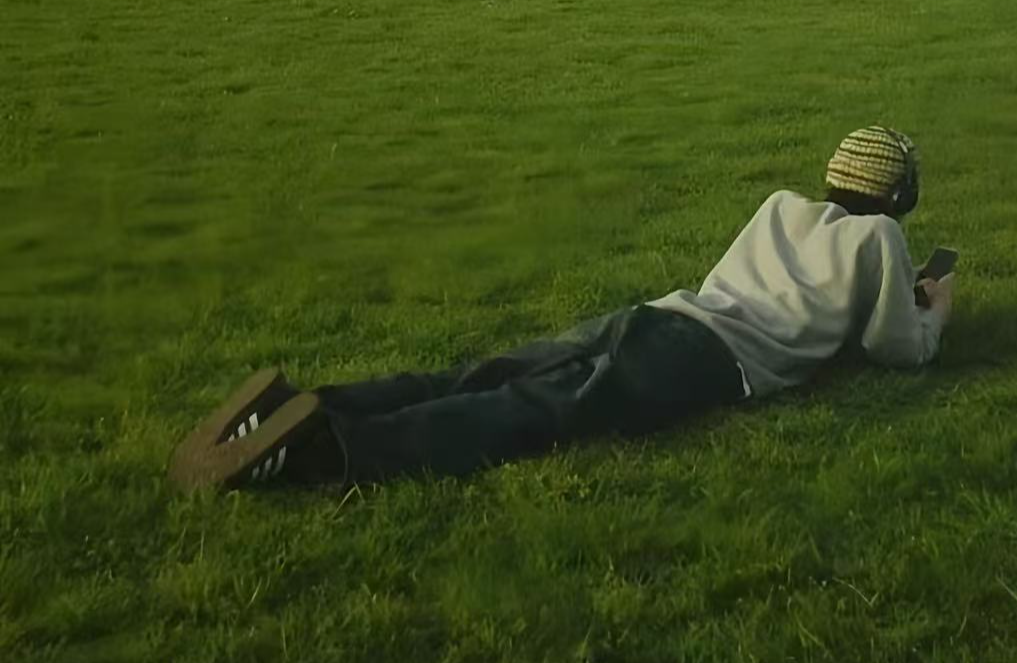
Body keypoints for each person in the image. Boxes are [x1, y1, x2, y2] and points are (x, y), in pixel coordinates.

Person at [169, 126, 955, 491]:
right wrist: (936, 307)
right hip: (709, 362)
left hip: (662, 316)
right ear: (896, 195)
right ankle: (326, 452)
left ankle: (303, 404)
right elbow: (898, 348)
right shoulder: (881, 238)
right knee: (534, 410)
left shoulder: (781, 204)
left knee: (488, 373)